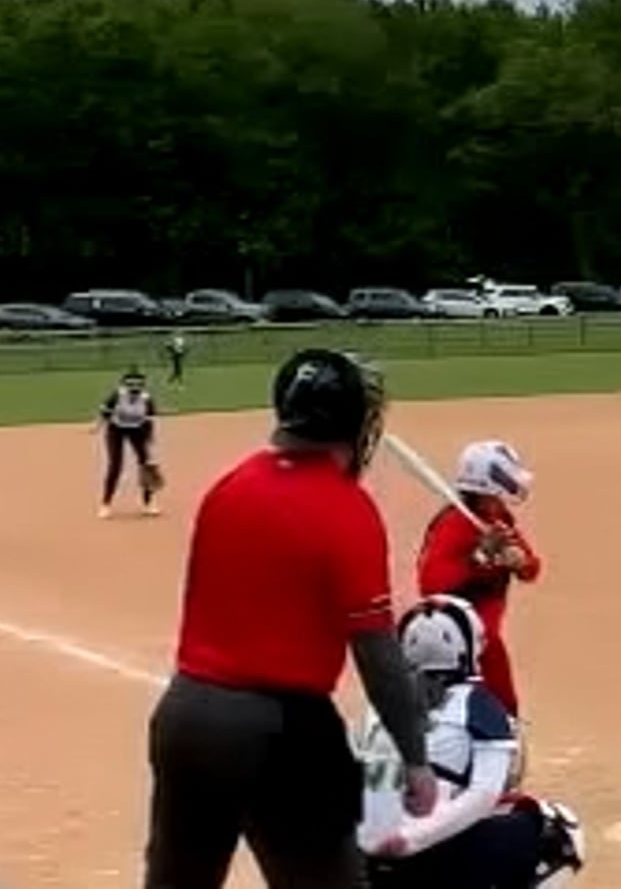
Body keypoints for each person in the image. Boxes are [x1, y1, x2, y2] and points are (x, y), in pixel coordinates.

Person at [143, 347, 437, 889]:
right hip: (281, 730)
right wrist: (415, 757)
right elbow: (377, 653)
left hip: (187, 717)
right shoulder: (347, 509)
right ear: (355, 426)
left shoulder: (229, 488)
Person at [356, 595, 586, 888]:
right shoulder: (478, 704)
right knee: (560, 828)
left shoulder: (376, 708)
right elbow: (484, 794)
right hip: (431, 856)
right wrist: (412, 839)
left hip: (368, 857)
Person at [417, 440, 542, 718]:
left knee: (500, 695)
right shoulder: (454, 524)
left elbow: (532, 570)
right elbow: (430, 585)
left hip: (484, 634)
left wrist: (521, 561)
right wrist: (480, 557)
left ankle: (504, 723)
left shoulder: (498, 521)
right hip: (454, 633)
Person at [97, 366, 162, 518]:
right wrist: (98, 425)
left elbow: (148, 422)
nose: (134, 390)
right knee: (115, 465)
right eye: (131, 386)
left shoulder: (147, 400)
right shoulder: (117, 395)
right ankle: (106, 504)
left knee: (146, 465)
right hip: (116, 430)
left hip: (137, 431)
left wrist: (149, 440)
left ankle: (148, 503)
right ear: (125, 386)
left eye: (138, 386)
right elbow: (105, 412)